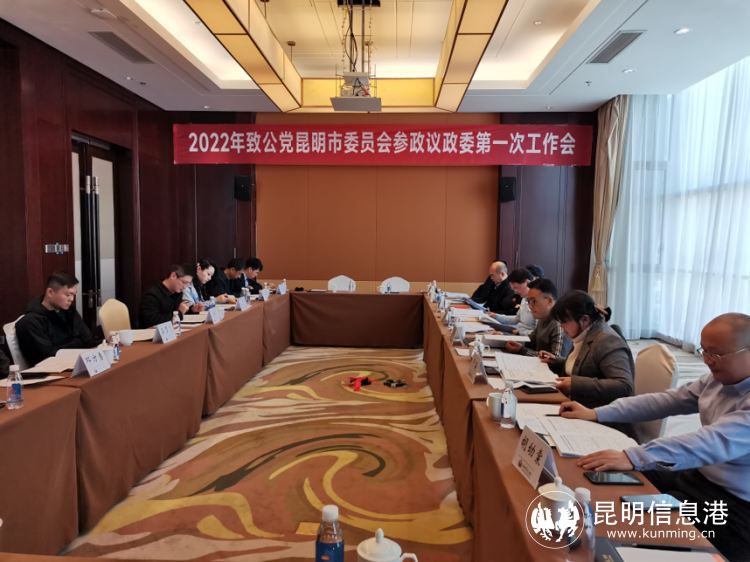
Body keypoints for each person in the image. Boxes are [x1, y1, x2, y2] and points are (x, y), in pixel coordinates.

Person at [560, 313, 750, 562]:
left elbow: (711, 442)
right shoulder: (716, 380)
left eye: (716, 354)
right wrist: (596, 413)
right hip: (697, 475)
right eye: (704, 350)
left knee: (639, 527)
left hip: (734, 505)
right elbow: (666, 401)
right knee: (603, 480)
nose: (706, 360)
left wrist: (635, 455)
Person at [543, 290, 634, 409]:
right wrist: (556, 361)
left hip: (602, 414)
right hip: (579, 406)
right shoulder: (583, 334)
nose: (561, 325)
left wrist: (576, 385)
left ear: (585, 320)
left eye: (563, 321)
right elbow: (586, 365)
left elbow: (624, 386)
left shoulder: (607, 340)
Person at [16, 271, 99, 366]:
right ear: (50, 292)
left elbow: (88, 340)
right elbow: (45, 357)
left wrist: (104, 344)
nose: (71, 299)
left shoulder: (69, 312)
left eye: (74, 295)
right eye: (68, 295)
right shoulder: (31, 322)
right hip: (56, 367)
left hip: (81, 362)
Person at [506, 278, 572, 360]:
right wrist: (505, 337)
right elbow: (530, 341)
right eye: (529, 301)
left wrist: (522, 350)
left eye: (533, 301)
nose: (530, 306)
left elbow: (555, 360)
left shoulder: (560, 324)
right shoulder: (542, 318)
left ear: (549, 301)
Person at [139, 264, 194, 328]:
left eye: (188, 284)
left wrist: (192, 310)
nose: (185, 287)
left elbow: (178, 312)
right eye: (184, 282)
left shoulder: (177, 293)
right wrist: (178, 313)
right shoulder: (151, 295)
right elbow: (153, 320)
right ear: (173, 276)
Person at [487, 268, 537, 336]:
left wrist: (517, 333)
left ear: (527, 283)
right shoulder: (524, 299)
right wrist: (496, 316)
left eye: (516, 288)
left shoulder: (538, 303)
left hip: (525, 338)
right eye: (513, 289)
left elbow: (537, 334)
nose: (515, 292)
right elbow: (517, 319)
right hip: (518, 332)